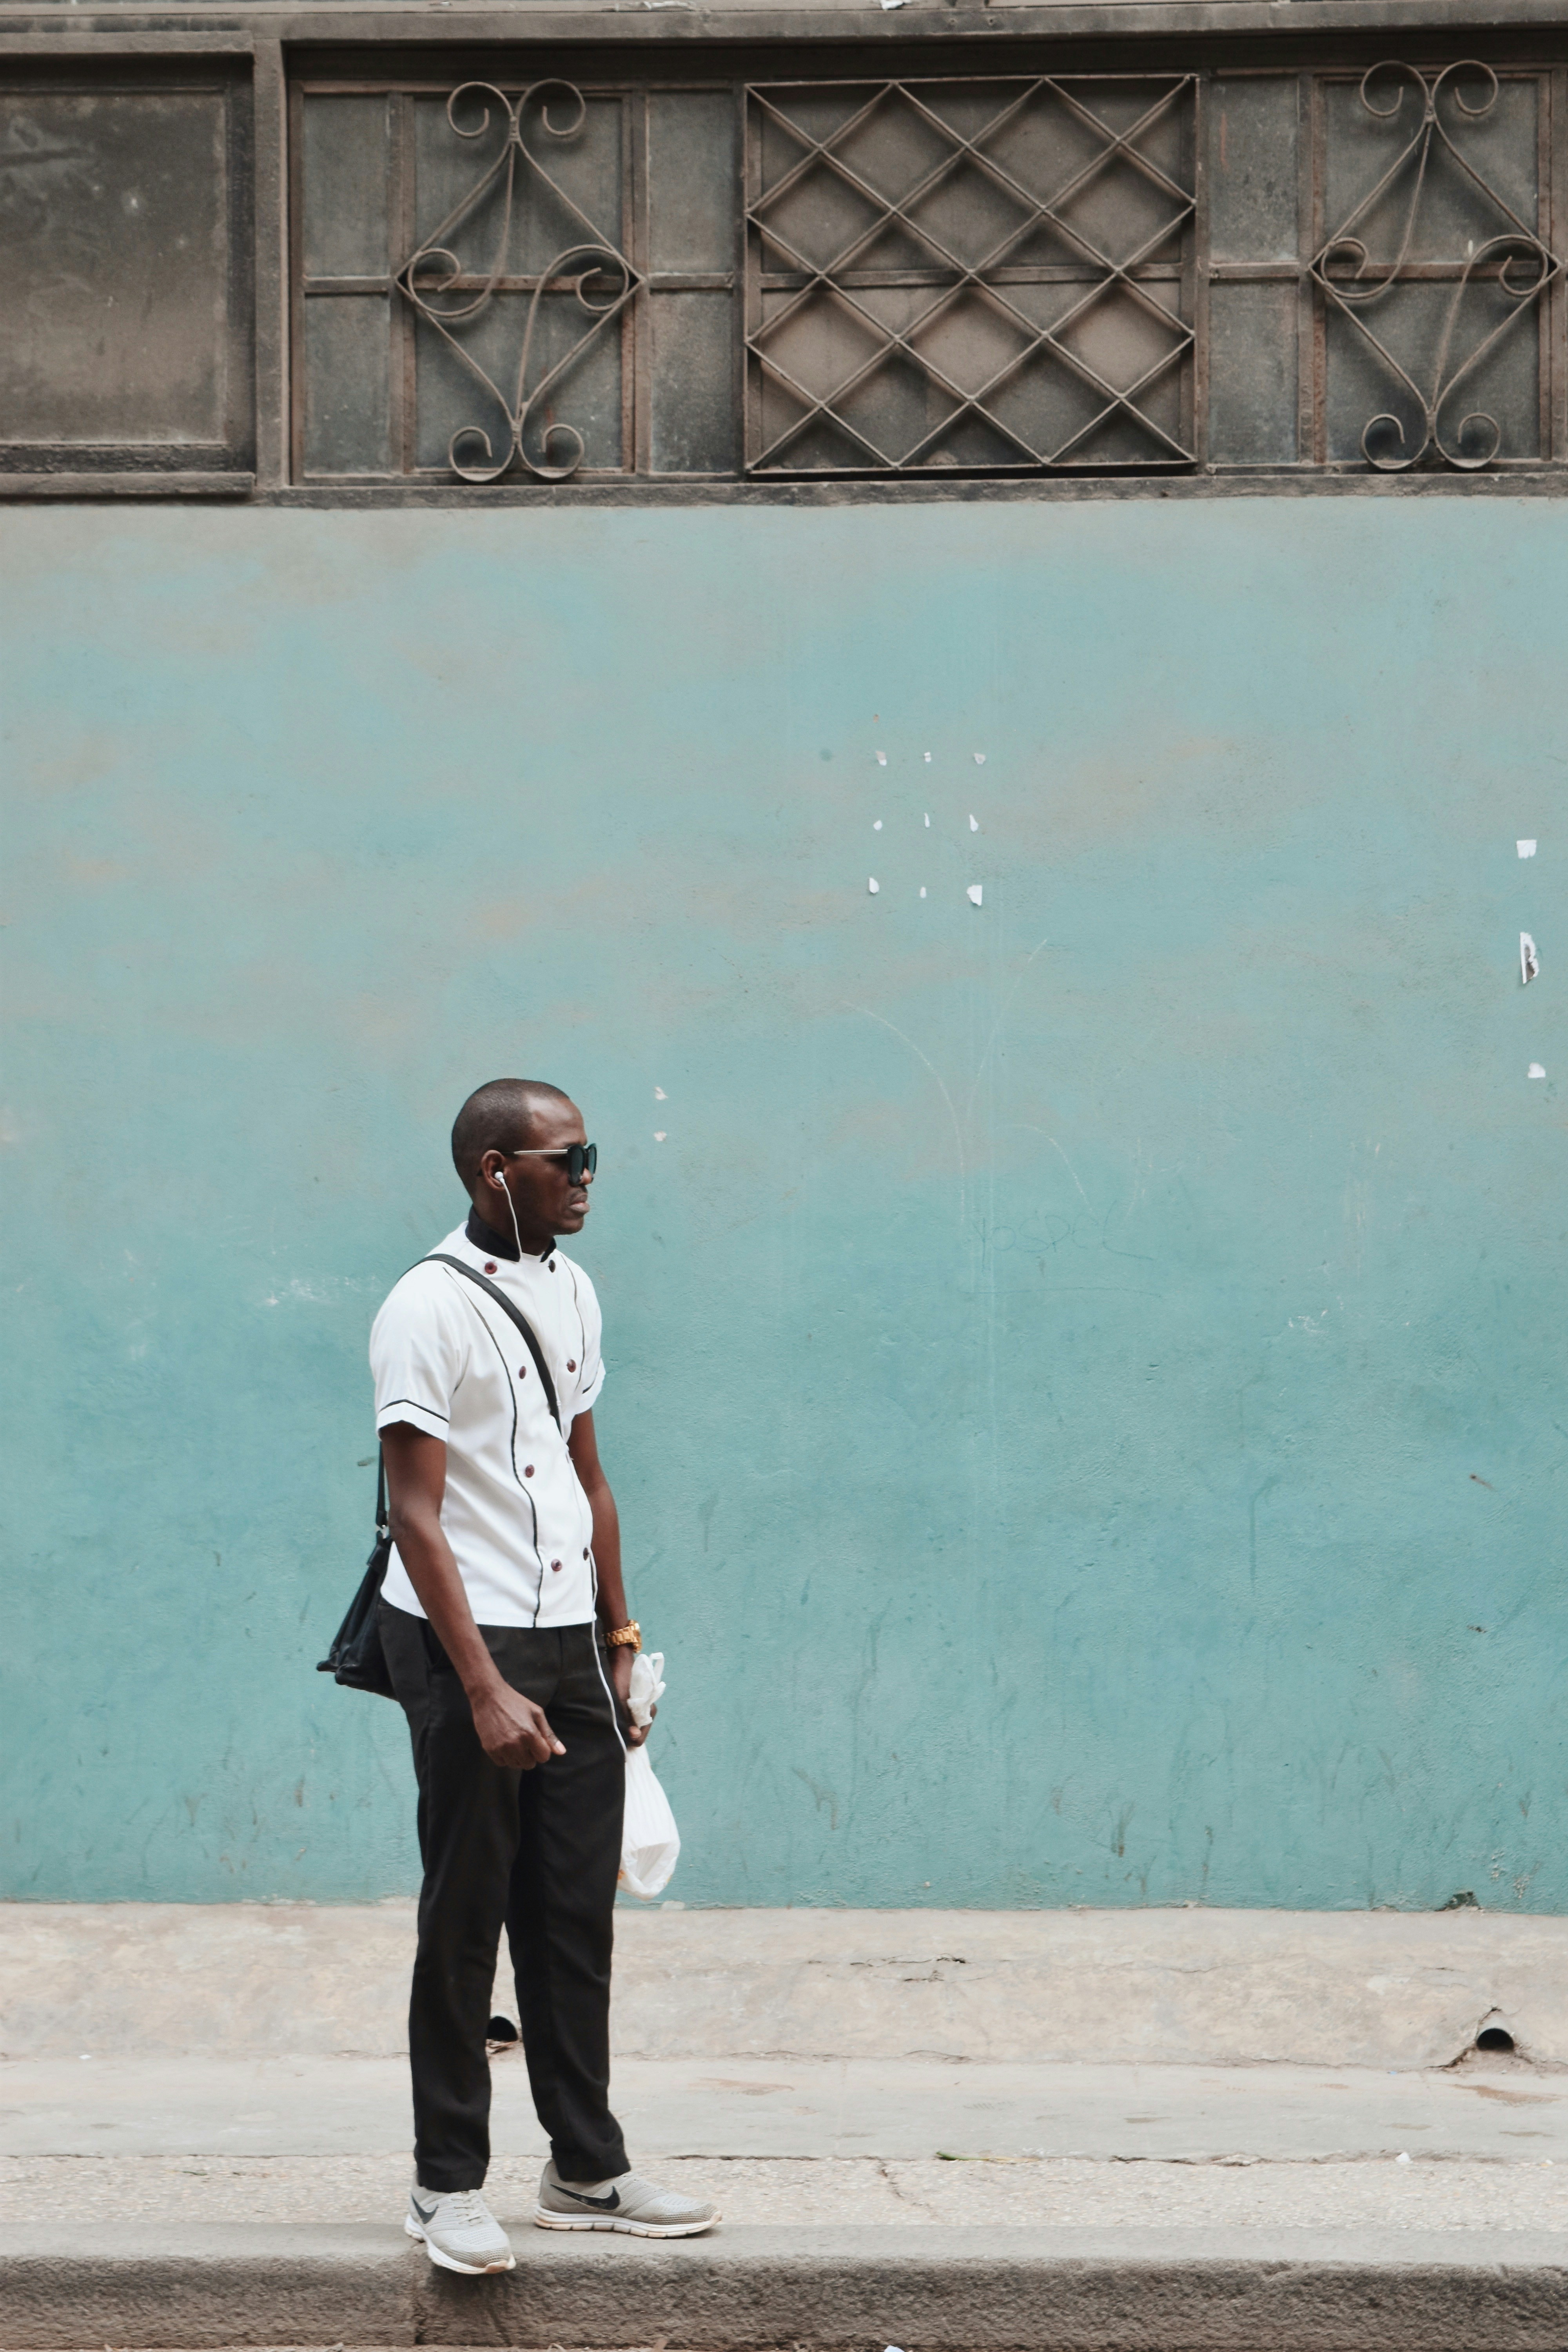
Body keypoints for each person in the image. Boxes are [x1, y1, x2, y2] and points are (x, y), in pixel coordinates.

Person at [369, 1078, 717, 2274]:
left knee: (572, 1911)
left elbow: (588, 1479)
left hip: (567, 1638)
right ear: (491, 1170)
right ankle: (444, 2186)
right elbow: (412, 1512)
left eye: (588, 1159)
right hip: (465, 1636)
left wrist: (620, 1646)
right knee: (467, 1912)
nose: (585, 1180)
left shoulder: (572, 1292)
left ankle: (585, 2164)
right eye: (567, 1160)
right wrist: (477, 1685)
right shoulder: (424, 1306)